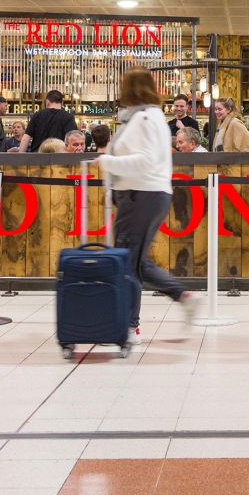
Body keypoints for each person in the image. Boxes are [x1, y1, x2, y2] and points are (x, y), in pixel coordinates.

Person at [94, 68, 198, 344]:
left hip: (140, 194)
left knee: (128, 262)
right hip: (148, 194)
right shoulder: (148, 117)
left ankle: (129, 327)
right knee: (136, 260)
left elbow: (146, 160)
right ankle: (178, 298)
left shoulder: (144, 119)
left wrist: (107, 161)